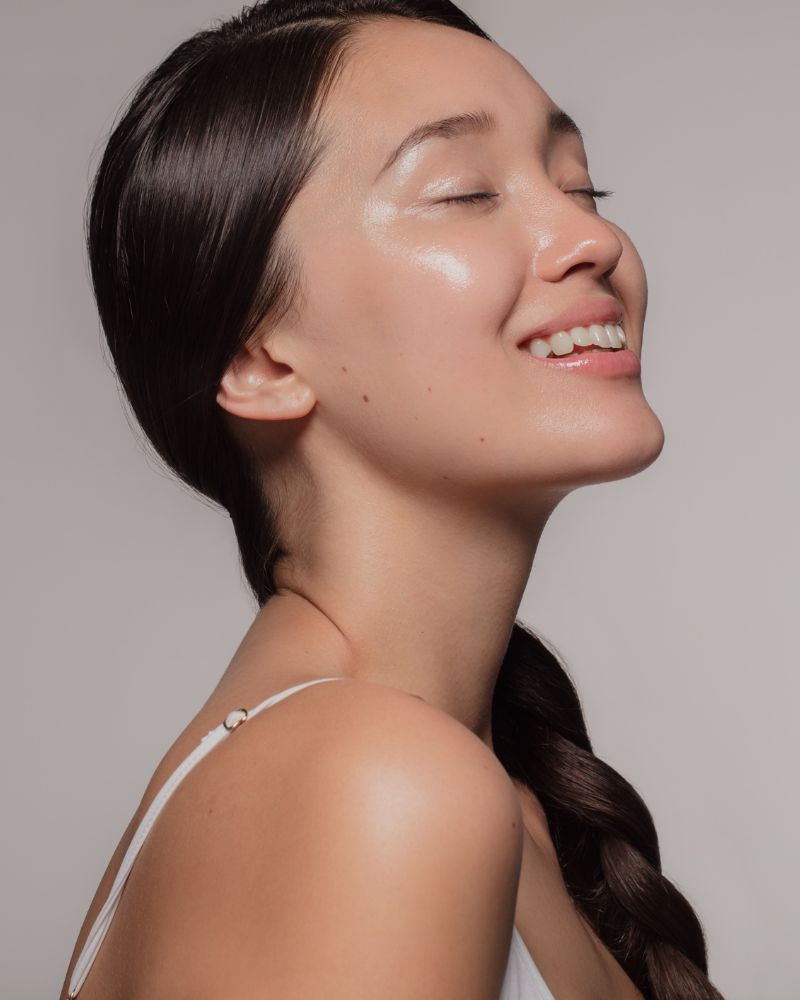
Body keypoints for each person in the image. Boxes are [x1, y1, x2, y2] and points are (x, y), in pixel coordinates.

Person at [61, 2, 725, 998]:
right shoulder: (369, 785)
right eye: (463, 192)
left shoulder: (475, 794)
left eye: (582, 183)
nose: (586, 234)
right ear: (259, 357)